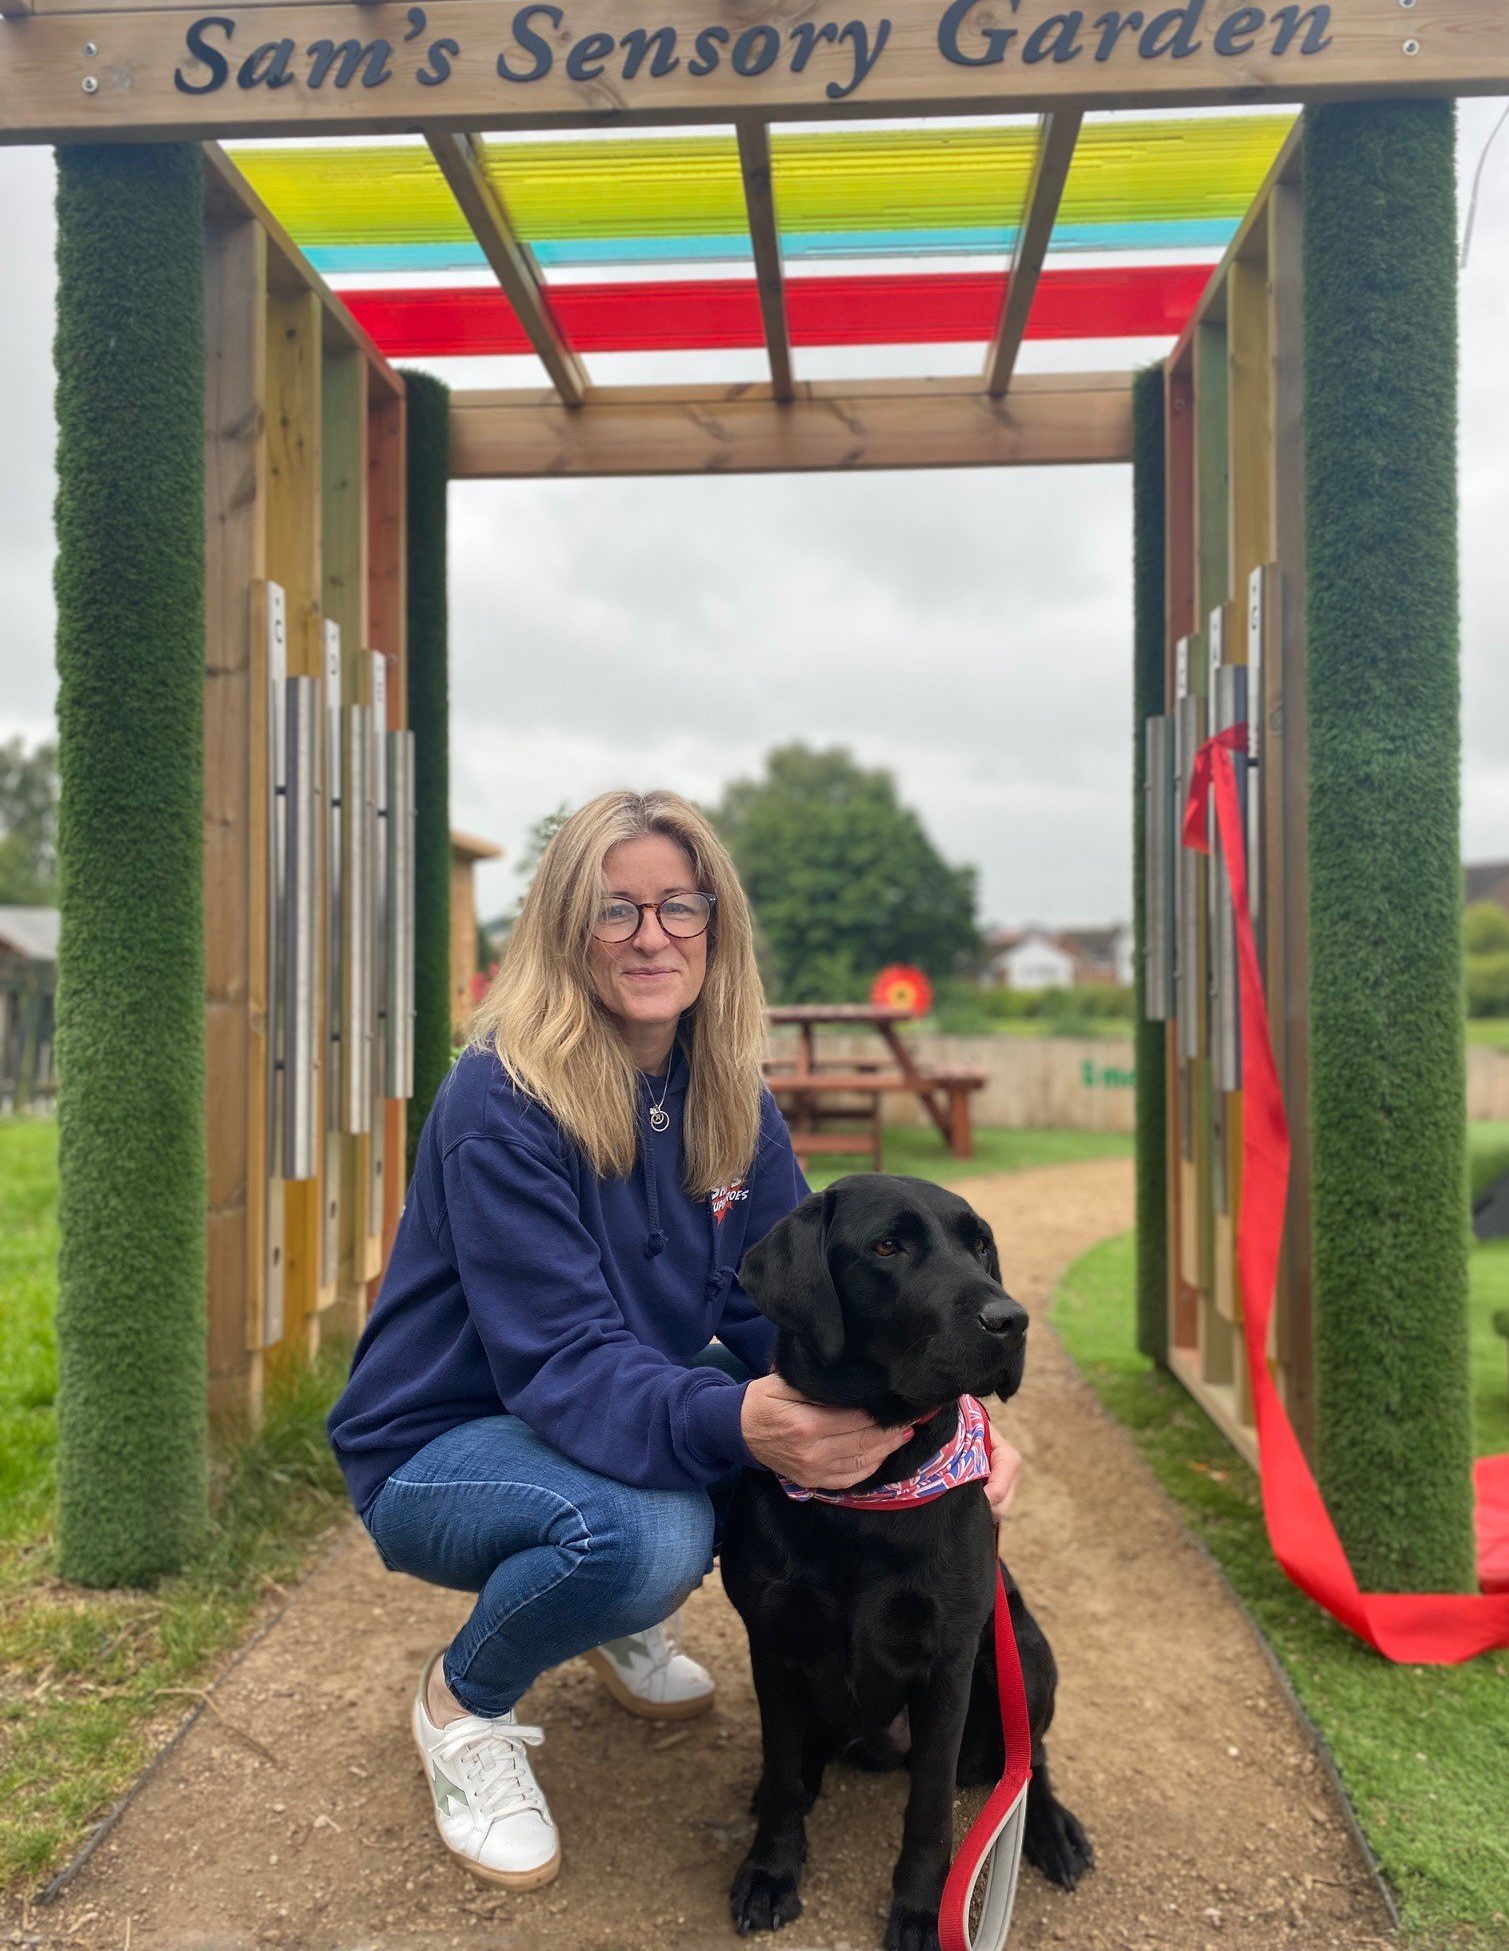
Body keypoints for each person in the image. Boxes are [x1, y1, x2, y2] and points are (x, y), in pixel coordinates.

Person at [327, 789, 1023, 1892]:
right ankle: (462, 1705)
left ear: (715, 924)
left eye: (679, 907)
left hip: (579, 1405)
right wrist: (745, 1422)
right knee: (652, 1531)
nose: (652, 936)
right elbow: (560, 1362)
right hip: (443, 1441)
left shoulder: (728, 1097)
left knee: (721, 1466)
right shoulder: (500, 1101)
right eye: (615, 912)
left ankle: (601, 1621)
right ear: (566, 932)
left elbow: (778, 1314)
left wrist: (959, 1421)